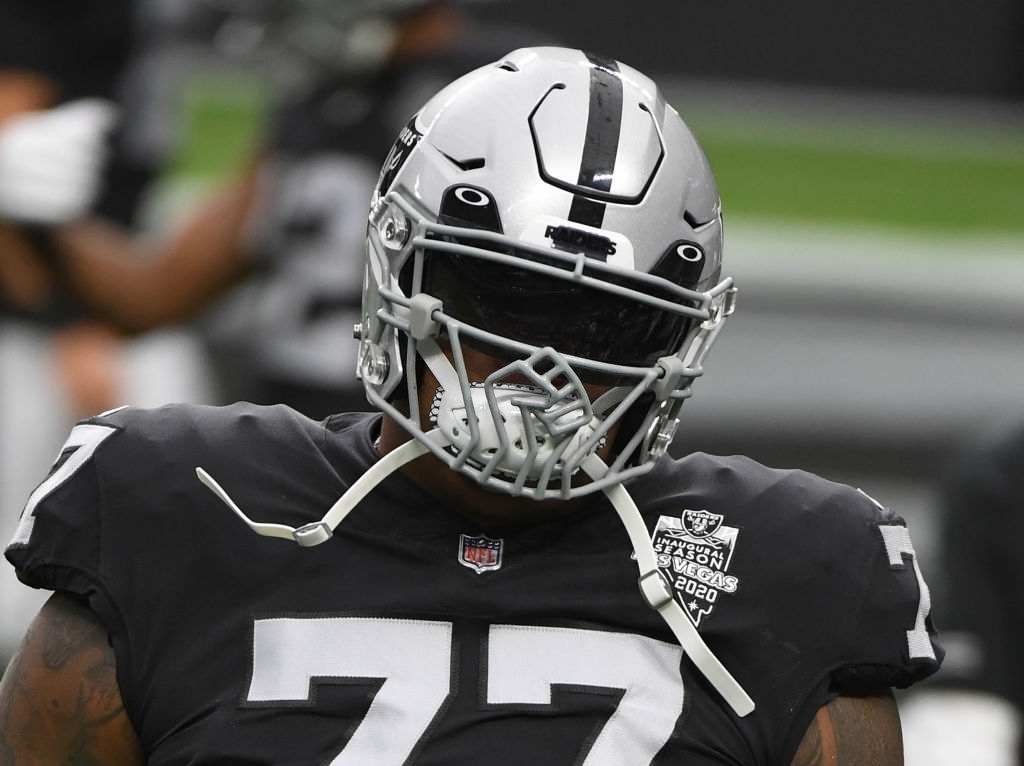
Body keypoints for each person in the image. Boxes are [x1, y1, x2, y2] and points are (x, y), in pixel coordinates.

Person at [1, 48, 941, 764]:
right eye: (504, 302)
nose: (545, 370)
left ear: (679, 340)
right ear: (396, 272)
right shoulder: (183, 504)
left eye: (606, 325)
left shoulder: (795, 564)